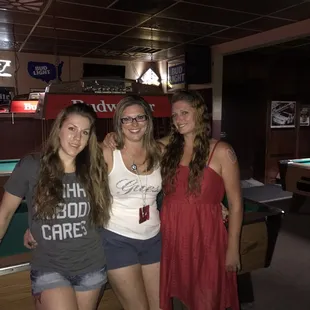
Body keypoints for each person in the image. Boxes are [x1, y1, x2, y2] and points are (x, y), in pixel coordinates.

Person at [0, 103, 111, 310]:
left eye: (84, 132)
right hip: (50, 267)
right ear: (59, 128)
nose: (77, 138)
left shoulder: (95, 169)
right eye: (71, 128)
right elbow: (4, 214)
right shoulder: (32, 166)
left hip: (92, 265)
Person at [160, 90, 242, 310]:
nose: (179, 119)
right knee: (182, 295)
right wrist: (112, 139)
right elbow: (134, 147)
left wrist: (233, 249)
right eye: (175, 115)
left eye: (185, 113)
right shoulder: (166, 148)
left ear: (200, 113)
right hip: (173, 235)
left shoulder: (222, 151)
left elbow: (235, 204)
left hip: (206, 237)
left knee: (207, 299)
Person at [101, 95, 162, 310]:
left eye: (139, 118)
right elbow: (72, 179)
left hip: (154, 238)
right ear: (119, 123)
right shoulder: (107, 153)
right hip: (118, 240)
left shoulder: (159, 151)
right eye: (127, 119)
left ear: (148, 121)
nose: (134, 124)